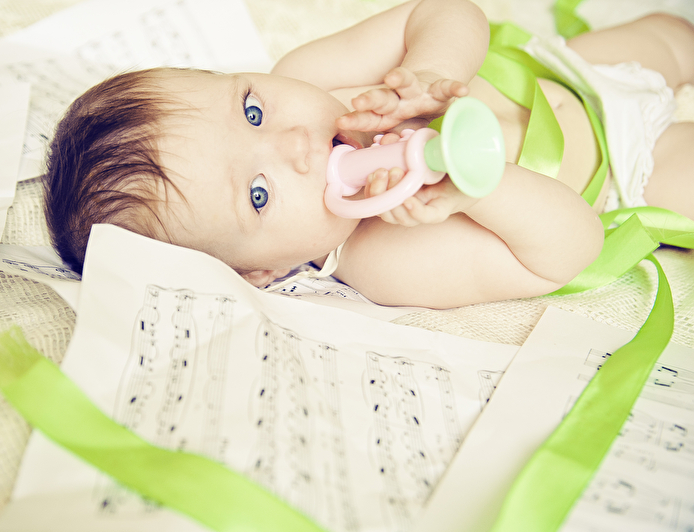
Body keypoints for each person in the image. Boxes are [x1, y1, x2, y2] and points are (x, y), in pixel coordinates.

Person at [44, 0, 694, 309]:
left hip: (565, 71)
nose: (293, 143)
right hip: (629, 165)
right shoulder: (382, 258)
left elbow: (443, 12)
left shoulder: (312, 75)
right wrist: (474, 187)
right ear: (262, 272)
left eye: (251, 110)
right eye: (259, 194)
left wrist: (431, 69)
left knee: (673, 33)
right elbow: (570, 249)